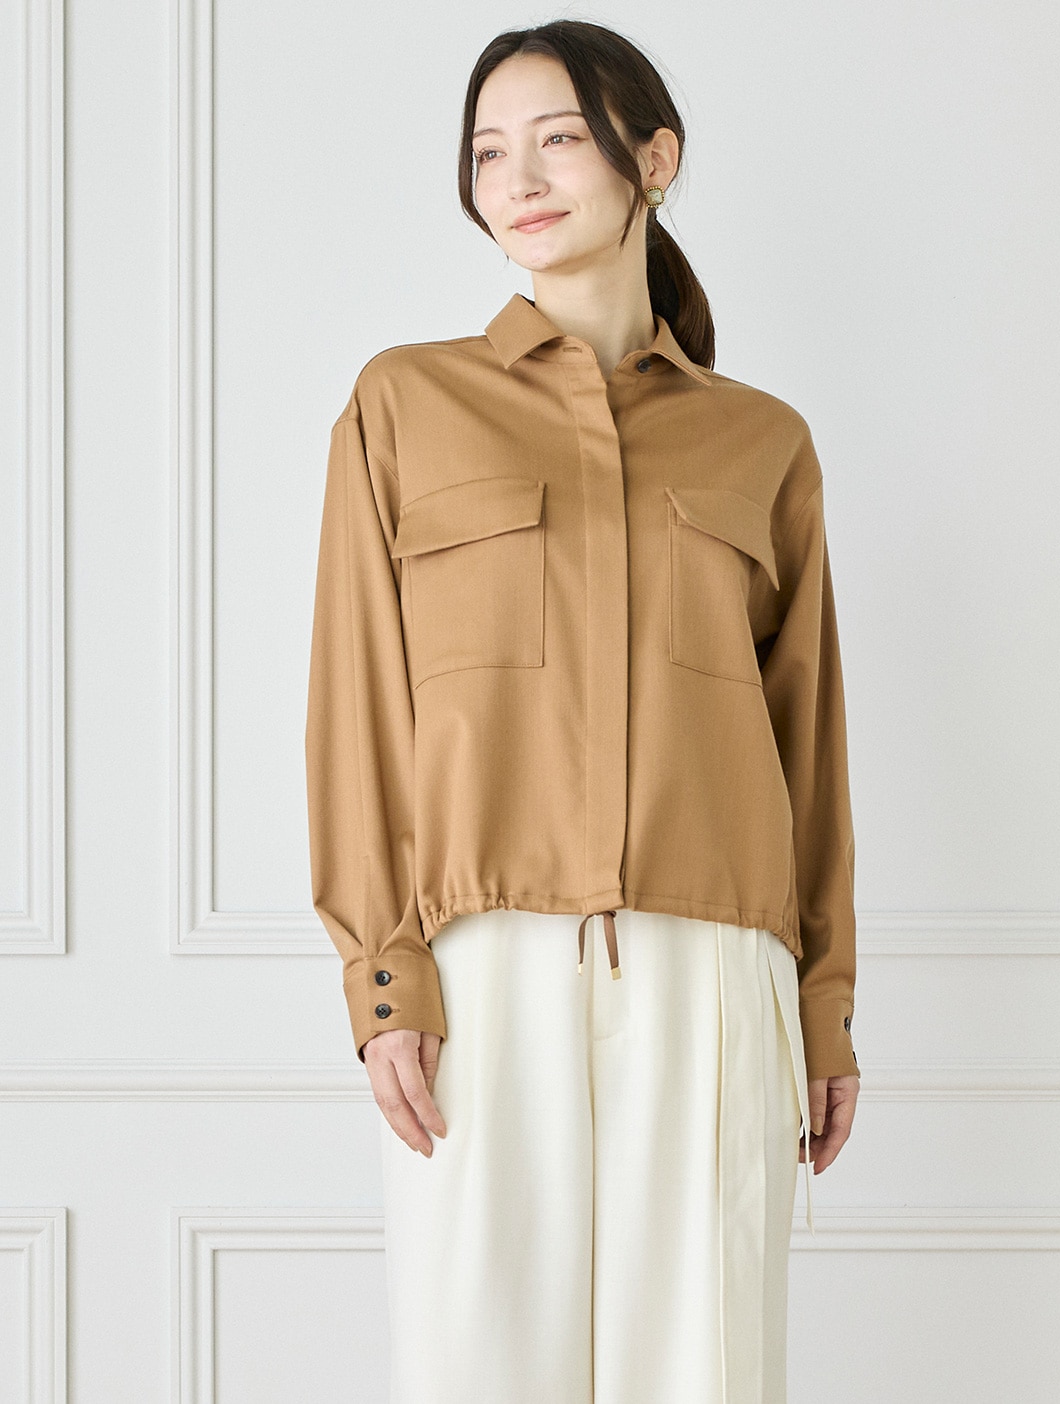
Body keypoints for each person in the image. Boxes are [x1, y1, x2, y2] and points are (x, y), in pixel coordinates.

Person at [304, 18, 860, 1402]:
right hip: (479, 971)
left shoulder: (763, 442)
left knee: (706, 1374)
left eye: (558, 138)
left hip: (714, 977)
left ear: (652, 159)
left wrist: (824, 1007)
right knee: (478, 1370)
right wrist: (384, 978)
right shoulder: (402, 403)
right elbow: (355, 711)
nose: (520, 177)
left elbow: (808, 750)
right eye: (489, 151)